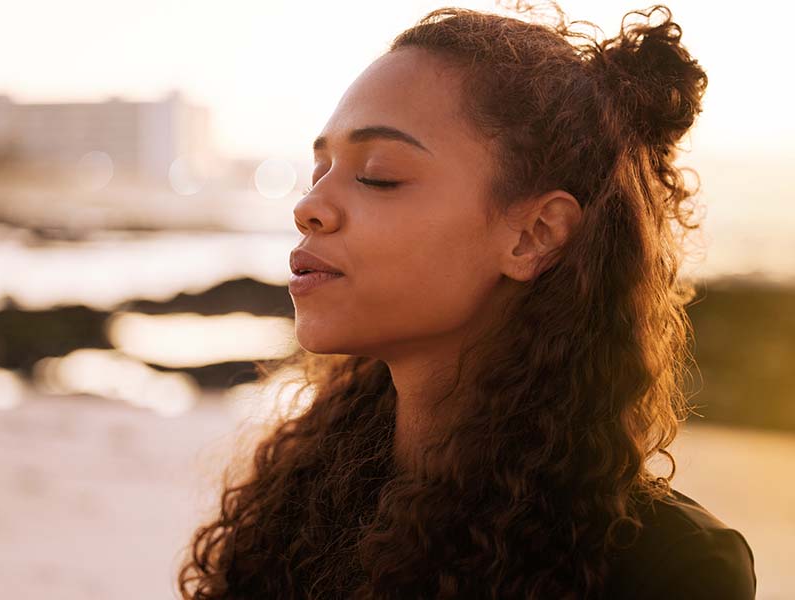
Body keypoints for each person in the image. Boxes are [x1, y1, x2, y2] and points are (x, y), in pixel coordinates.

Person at [177, 4, 757, 599]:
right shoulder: (300, 502)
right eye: (319, 170)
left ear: (535, 235)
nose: (308, 207)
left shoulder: (669, 570)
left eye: (377, 174)